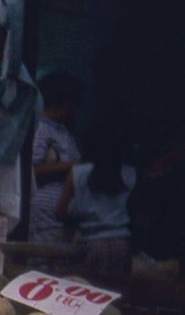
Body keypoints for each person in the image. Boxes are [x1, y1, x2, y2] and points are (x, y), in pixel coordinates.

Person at [57, 127, 136, 280]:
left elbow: (60, 212)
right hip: (122, 244)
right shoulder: (130, 173)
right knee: (116, 296)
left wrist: (77, 217)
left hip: (90, 244)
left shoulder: (78, 172)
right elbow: (135, 210)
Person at [31, 71, 83, 244]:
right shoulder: (41, 128)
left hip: (62, 219)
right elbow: (31, 170)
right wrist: (75, 166)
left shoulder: (63, 131)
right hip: (44, 220)